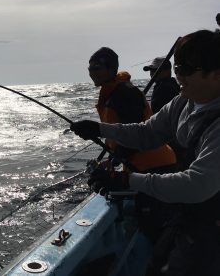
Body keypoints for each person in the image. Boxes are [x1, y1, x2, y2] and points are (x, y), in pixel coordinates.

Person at [71, 30, 220, 276]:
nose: (178, 74)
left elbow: (198, 184)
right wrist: (99, 128)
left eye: (187, 69)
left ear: (216, 73)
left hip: (211, 219)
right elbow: (147, 132)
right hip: (191, 212)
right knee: (157, 259)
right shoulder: (185, 101)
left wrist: (128, 180)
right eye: (178, 67)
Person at [86, 47, 176, 173]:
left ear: (111, 69)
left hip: (154, 165)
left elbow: (135, 135)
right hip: (138, 165)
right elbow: (120, 134)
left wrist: (114, 160)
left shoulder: (124, 93)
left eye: (96, 68)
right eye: (90, 69)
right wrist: (112, 160)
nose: (92, 73)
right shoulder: (112, 93)